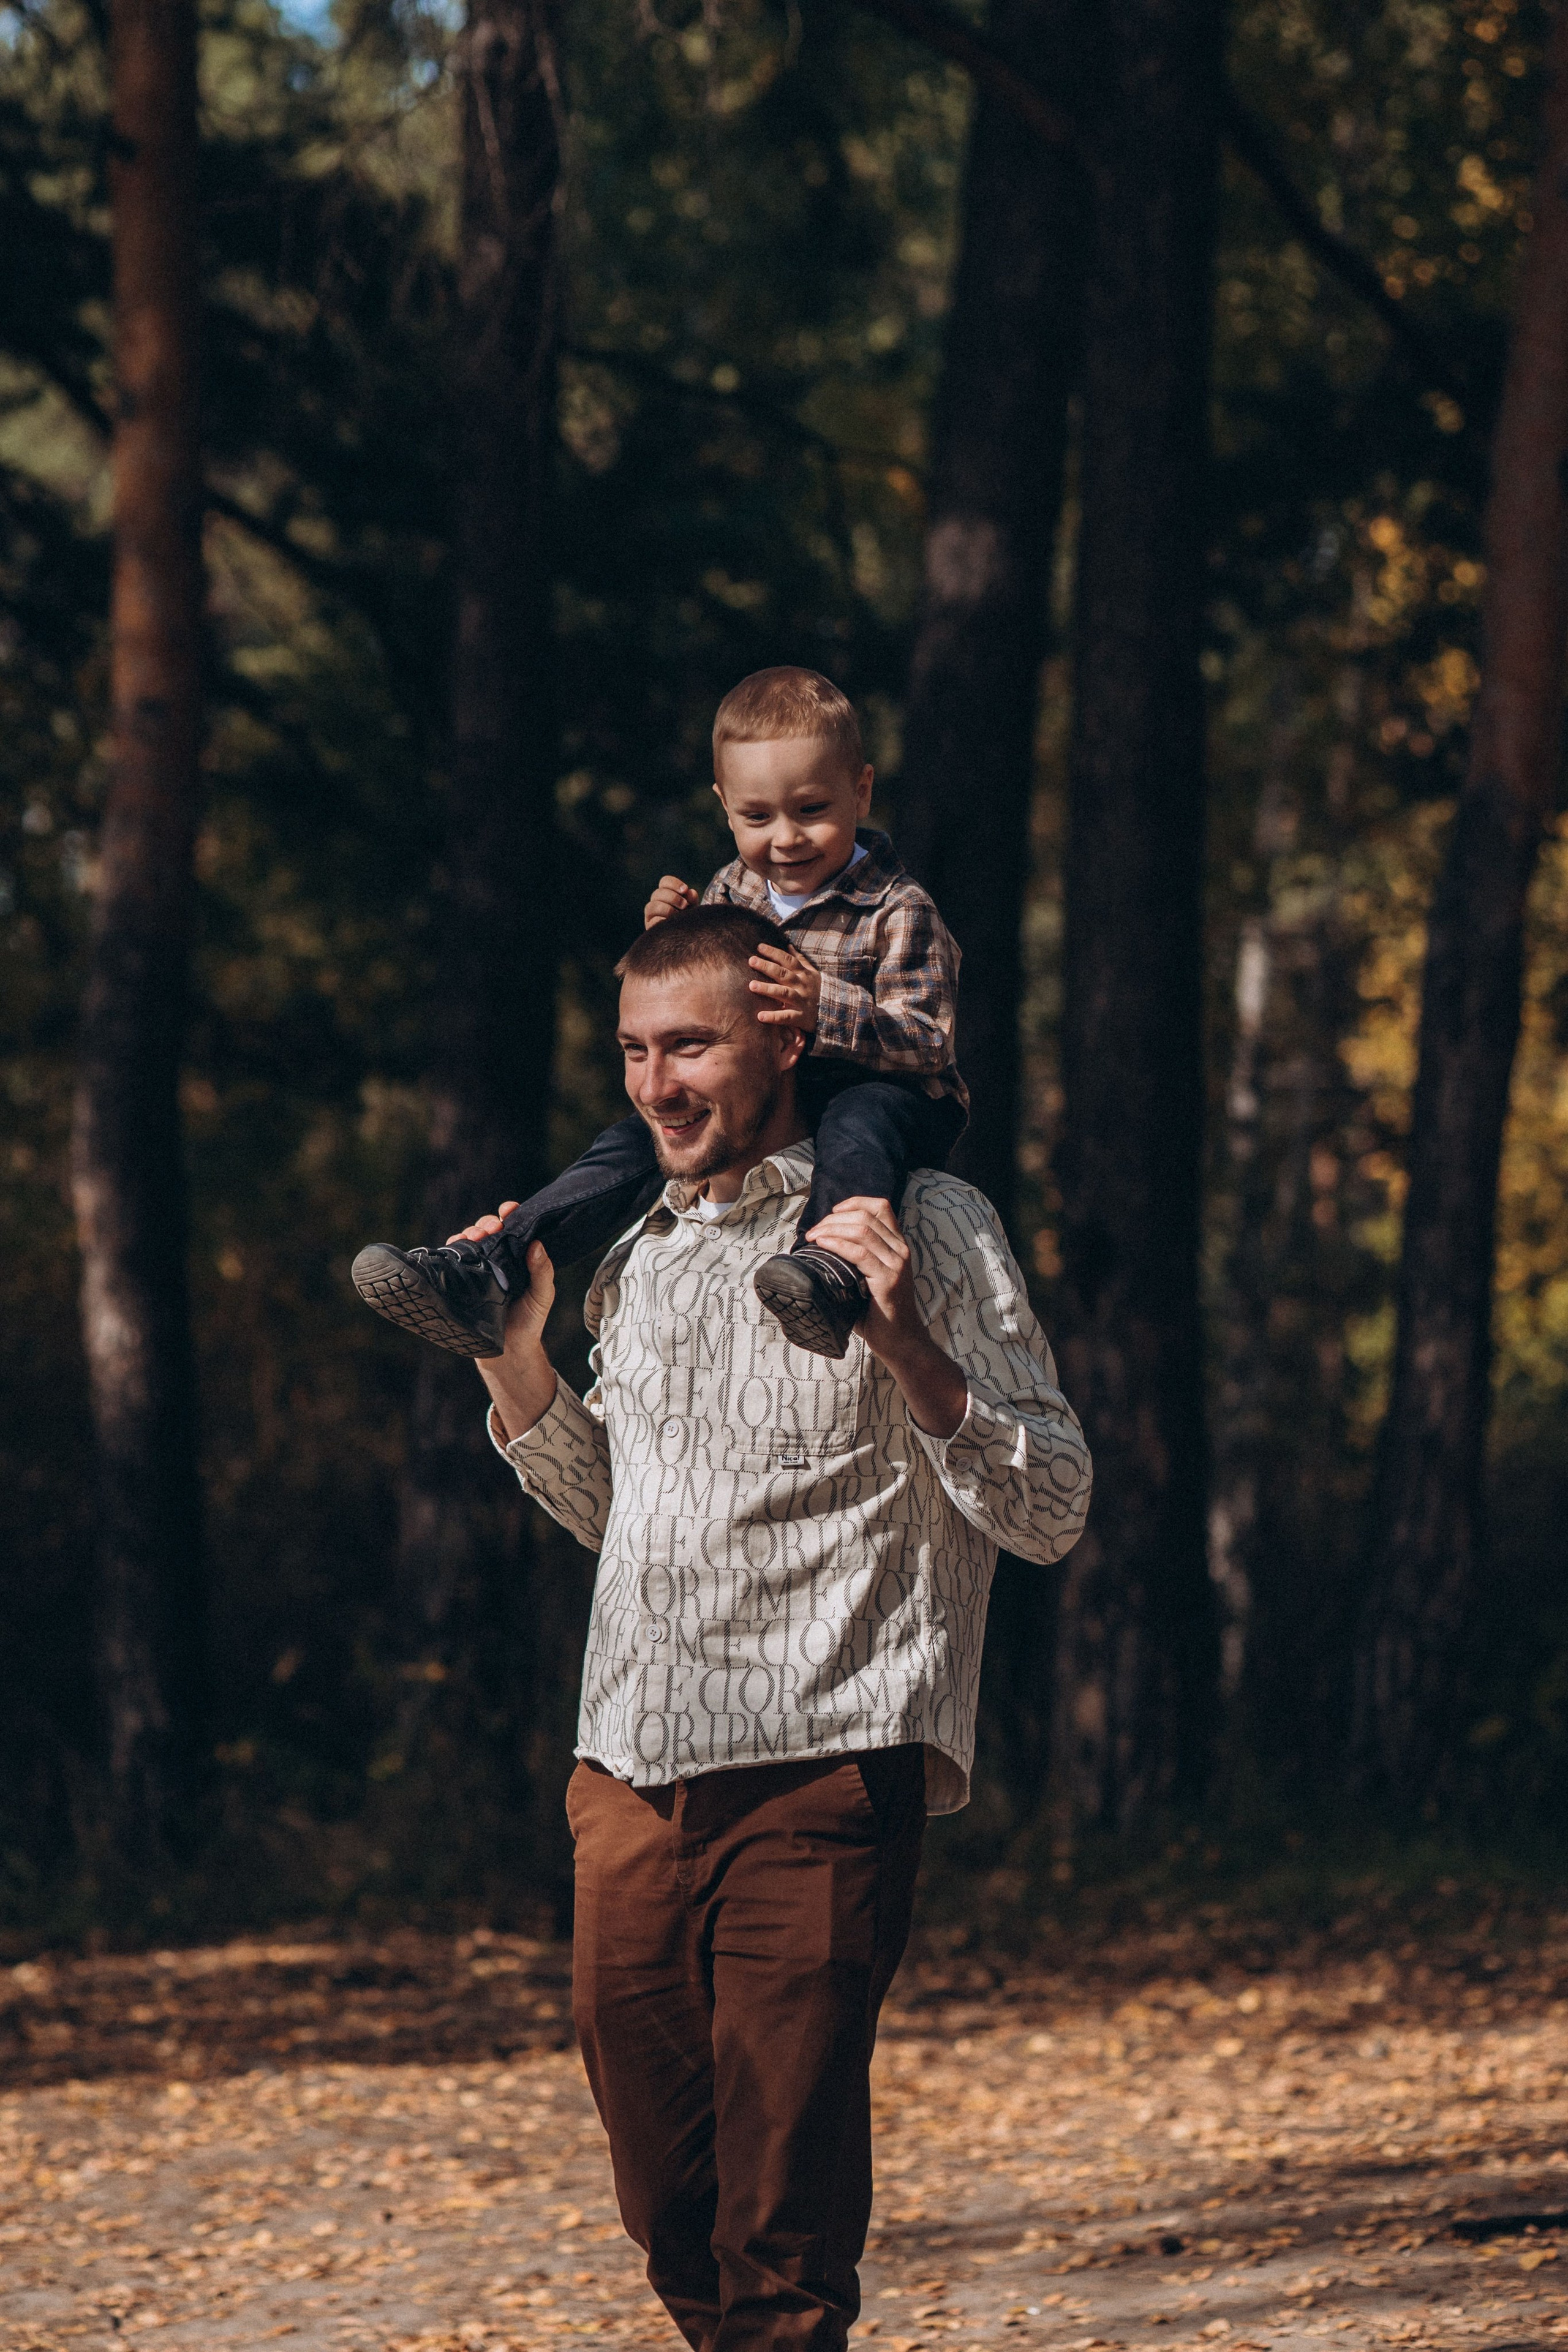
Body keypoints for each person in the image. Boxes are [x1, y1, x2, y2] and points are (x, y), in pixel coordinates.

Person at [465, 903, 1090, 2351]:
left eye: (689, 1046)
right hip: (626, 1772)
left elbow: (1051, 1503)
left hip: (826, 1762)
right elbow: (615, 1511)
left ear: (785, 1036)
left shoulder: (924, 1223)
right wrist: (512, 1363)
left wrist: (901, 1336)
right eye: (633, 1050)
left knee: (781, 2220)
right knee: (666, 2197)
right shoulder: (640, 1246)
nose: (655, 1083)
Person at [351, 666, 966, 1363]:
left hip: (890, 1095)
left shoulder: (898, 909)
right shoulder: (731, 888)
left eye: (812, 809)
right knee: (638, 1140)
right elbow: (699, 995)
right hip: (771, 1090)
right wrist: (671, 940)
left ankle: (830, 1273)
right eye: (757, 817)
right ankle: (492, 1267)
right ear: (724, 806)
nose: (786, 838)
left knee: (861, 1120)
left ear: (861, 789)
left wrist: (826, 1006)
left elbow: (929, 1042)